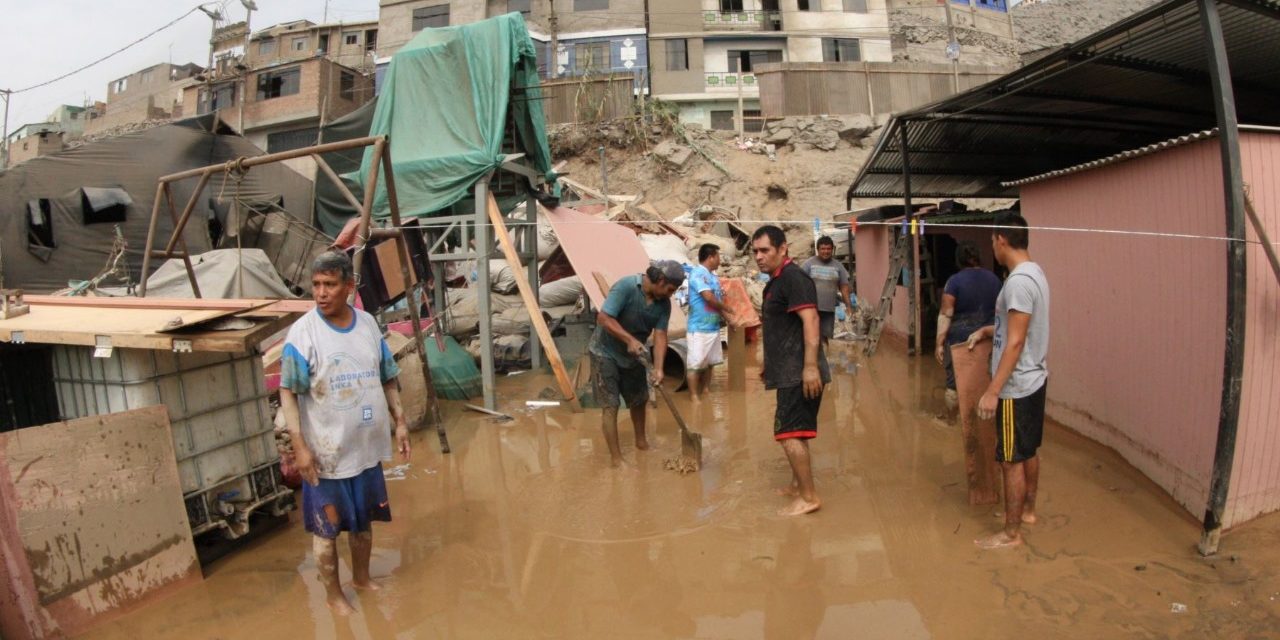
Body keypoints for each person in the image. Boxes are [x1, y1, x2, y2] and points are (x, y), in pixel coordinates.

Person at [278, 252, 412, 615]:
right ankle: (334, 596)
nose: (321, 293)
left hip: (365, 450)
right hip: (326, 456)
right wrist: (299, 447)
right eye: (316, 285)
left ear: (349, 288)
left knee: (364, 523)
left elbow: (387, 375)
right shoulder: (303, 334)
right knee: (327, 529)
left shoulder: (367, 324)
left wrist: (399, 421)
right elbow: (287, 391)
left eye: (330, 285)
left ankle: (362, 578)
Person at [968, 212, 1050, 550]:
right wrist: (990, 329)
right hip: (1035, 378)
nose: (992, 247)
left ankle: (1010, 533)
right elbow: (1017, 328)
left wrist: (992, 390)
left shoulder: (1017, 282)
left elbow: (1016, 342)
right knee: (1028, 450)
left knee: (1010, 458)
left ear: (1001, 240)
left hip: (1015, 386)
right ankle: (1028, 512)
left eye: (992, 241)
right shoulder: (1036, 273)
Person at [752, 225, 830, 516]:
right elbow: (780, 328)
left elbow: (810, 321)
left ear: (782, 249)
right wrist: (767, 363)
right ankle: (798, 487)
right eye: (755, 251)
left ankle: (809, 497)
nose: (758, 257)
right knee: (797, 431)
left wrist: (810, 367)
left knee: (788, 434)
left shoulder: (793, 277)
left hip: (799, 371)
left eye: (765, 250)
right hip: (788, 369)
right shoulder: (776, 281)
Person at [590, 260, 684, 467]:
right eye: (670, 289)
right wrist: (629, 339)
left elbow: (660, 335)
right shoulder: (626, 287)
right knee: (611, 405)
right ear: (660, 280)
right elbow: (604, 319)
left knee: (639, 400)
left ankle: (641, 443)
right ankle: (617, 460)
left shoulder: (663, 304)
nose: (671, 294)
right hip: (605, 352)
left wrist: (659, 368)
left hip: (634, 356)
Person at [935, 241, 1002, 413]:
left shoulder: (954, 282)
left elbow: (946, 314)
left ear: (959, 260)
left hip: (959, 342)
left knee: (953, 384)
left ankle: (953, 422)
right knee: (985, 379)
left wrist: (939, 343)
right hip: (989, 339)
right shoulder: (995, 280)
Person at [686, 244, 734, 401]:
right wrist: (728, 308)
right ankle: (694, 397)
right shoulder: (697, 274)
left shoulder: (713, 277)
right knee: (695, 363)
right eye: (718, 256)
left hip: (713, 327)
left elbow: (716, 302)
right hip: (699, 328)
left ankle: (706, 390)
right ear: (711, 257)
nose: (720, 260)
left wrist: (728, 319)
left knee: (709, 362)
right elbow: (708, 298)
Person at [801, 236, 855, 344]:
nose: (825, 251)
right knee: (810, 338)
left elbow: (844, 288)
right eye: (823, 249)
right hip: (811, 309)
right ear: (818, 249)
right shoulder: (808, 264)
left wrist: (848, 306)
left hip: (828, 310)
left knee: (825, 337)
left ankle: (824, 359)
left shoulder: (838, 266)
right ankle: (810, 359)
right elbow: (799, 285)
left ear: (832, 249)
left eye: (828, 249)